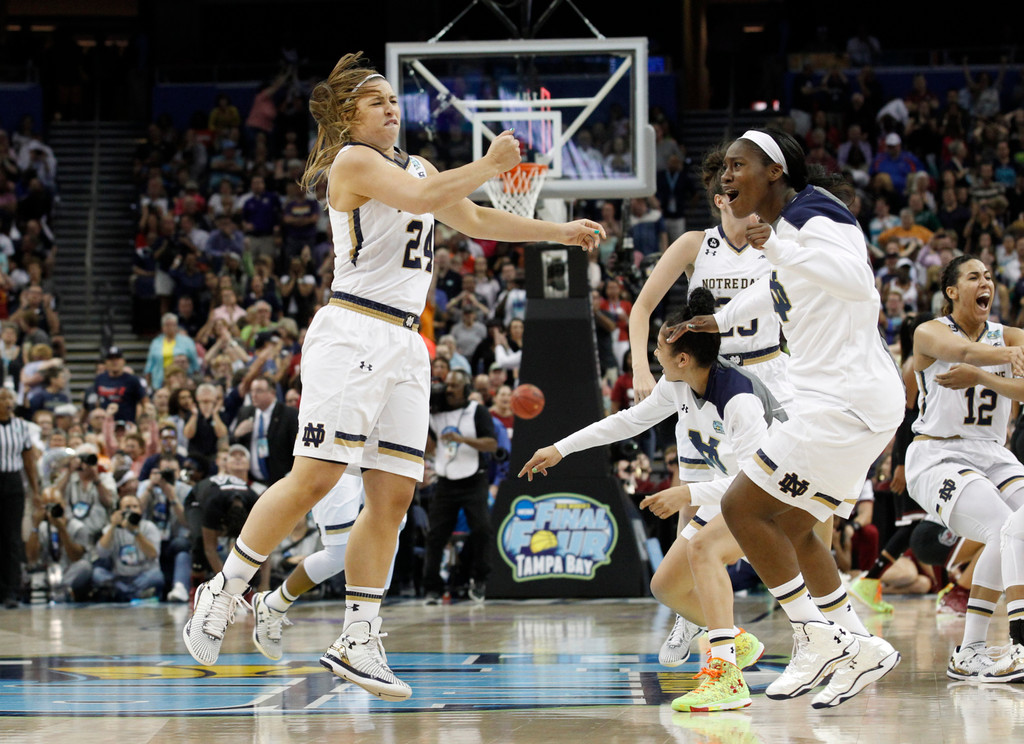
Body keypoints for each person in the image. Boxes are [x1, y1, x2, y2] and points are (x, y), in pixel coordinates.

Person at [180, 52, 605, 703]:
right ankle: (226, 588)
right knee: (314, 477)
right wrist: (492, 165)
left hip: (407, 343)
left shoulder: (424, 167)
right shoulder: (350, 164)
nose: (389, 108)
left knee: (395, 498)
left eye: (391, 100)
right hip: (352, 329)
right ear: (350, 114)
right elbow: (421, 198)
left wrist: (560, 232)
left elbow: (478, 219)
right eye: (375, 101)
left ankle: (358, 635)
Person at [678, 129, 903, 708]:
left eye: (737, 165)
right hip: (850, 402)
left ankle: (814, 637)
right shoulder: (787, 231)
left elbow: (858, 284)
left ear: (775, 170)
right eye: (722, 168)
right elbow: (777, 290)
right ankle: (857, 645)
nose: (726, 177)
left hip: (843, 400)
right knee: (798, 527)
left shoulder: (816, 214)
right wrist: (718, 321)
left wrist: (776, 248)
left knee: (740, 507)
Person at [519, 288, 776, 712]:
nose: (653, 354)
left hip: (773, 493)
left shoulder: (739, 400)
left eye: (659, 347)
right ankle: (734, 639)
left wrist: (687, 493)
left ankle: (727, 674)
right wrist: (560, 448)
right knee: (666, 586)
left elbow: (755, 480)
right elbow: (629, 421)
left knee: (703, 550)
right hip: (731, 493)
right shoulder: (678, 384)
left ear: (683, 358)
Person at [628, 146, 796, 664]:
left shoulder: (781, 242)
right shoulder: (695, 244)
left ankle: (820, 616)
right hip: (708, 378)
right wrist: (641, 365)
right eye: (734, 190)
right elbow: (642, 308)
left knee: (787, 492)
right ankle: (691, 613)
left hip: (769, 373)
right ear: (722, 198)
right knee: (695, 498)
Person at [905, 255, 1024, 682]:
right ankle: (986, 646)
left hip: (994, 453)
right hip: (939, 454)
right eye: (974, 276)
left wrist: (985, 377)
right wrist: (1004, 357)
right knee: (1000, 525)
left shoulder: (1007, 335)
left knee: (1020, 525)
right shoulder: (930, 331)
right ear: (952, 291)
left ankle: (976, 650)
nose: (985, 282)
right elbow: (962, 351)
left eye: (989, 276)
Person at [251, 471, 404, 660]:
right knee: (340, 553)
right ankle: (273, 604)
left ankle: (360, 640)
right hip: (342, 456)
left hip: (383, 452)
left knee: (389, 532)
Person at [422, 369, 497, 605]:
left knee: (482, 529)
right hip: (445, 482)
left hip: (474, 479)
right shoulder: (435, 412)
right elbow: (430, 447)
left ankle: (480, 581)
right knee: (435, 536)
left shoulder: (477, 411)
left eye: (454, 385)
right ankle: (433, 588)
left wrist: (462, 440)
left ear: (466, 388)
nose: (449, 389)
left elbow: (491, 444)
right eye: (447, 385)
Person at [0, 387, 39, 607]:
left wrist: (35, 490)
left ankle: (10, 591)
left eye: (9, 398)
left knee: (12, 537)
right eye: (2, 398)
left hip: (13, 481)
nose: (7, 402)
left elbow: (29, 461)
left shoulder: (21, 427)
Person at [91, 493, 165, 602]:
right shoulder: (111, 528)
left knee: (157, 576)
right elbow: (102, 553)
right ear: (119, 511)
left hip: (143, 576)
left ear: (140, 510)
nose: (132, 510)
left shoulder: (149, 527)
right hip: (119, 578)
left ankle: (123, 595)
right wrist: (112, 526)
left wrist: (135, 532)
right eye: (127, 507)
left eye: (135, 507)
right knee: (98, 574)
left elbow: (153, 554)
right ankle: (136, 594)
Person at [229, 375, 298, 490]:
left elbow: (295, 447)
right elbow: (233, 444)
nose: (253, 395)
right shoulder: (245, 412)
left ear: (272, 393)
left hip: (281, 481)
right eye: (252, 391)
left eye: (259, 391)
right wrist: (237, 434)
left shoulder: (289, 414)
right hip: (253, 481)